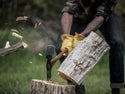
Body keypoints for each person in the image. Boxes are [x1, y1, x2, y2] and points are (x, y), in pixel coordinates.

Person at [56, 0, 124, 94]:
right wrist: (67, 37)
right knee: (61, 47)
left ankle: (116, 88)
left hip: (104, 16)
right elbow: (68, 10)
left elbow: (101, 16)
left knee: (117, 42)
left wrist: (81, 36)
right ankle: (77, 88)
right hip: (79, 15)